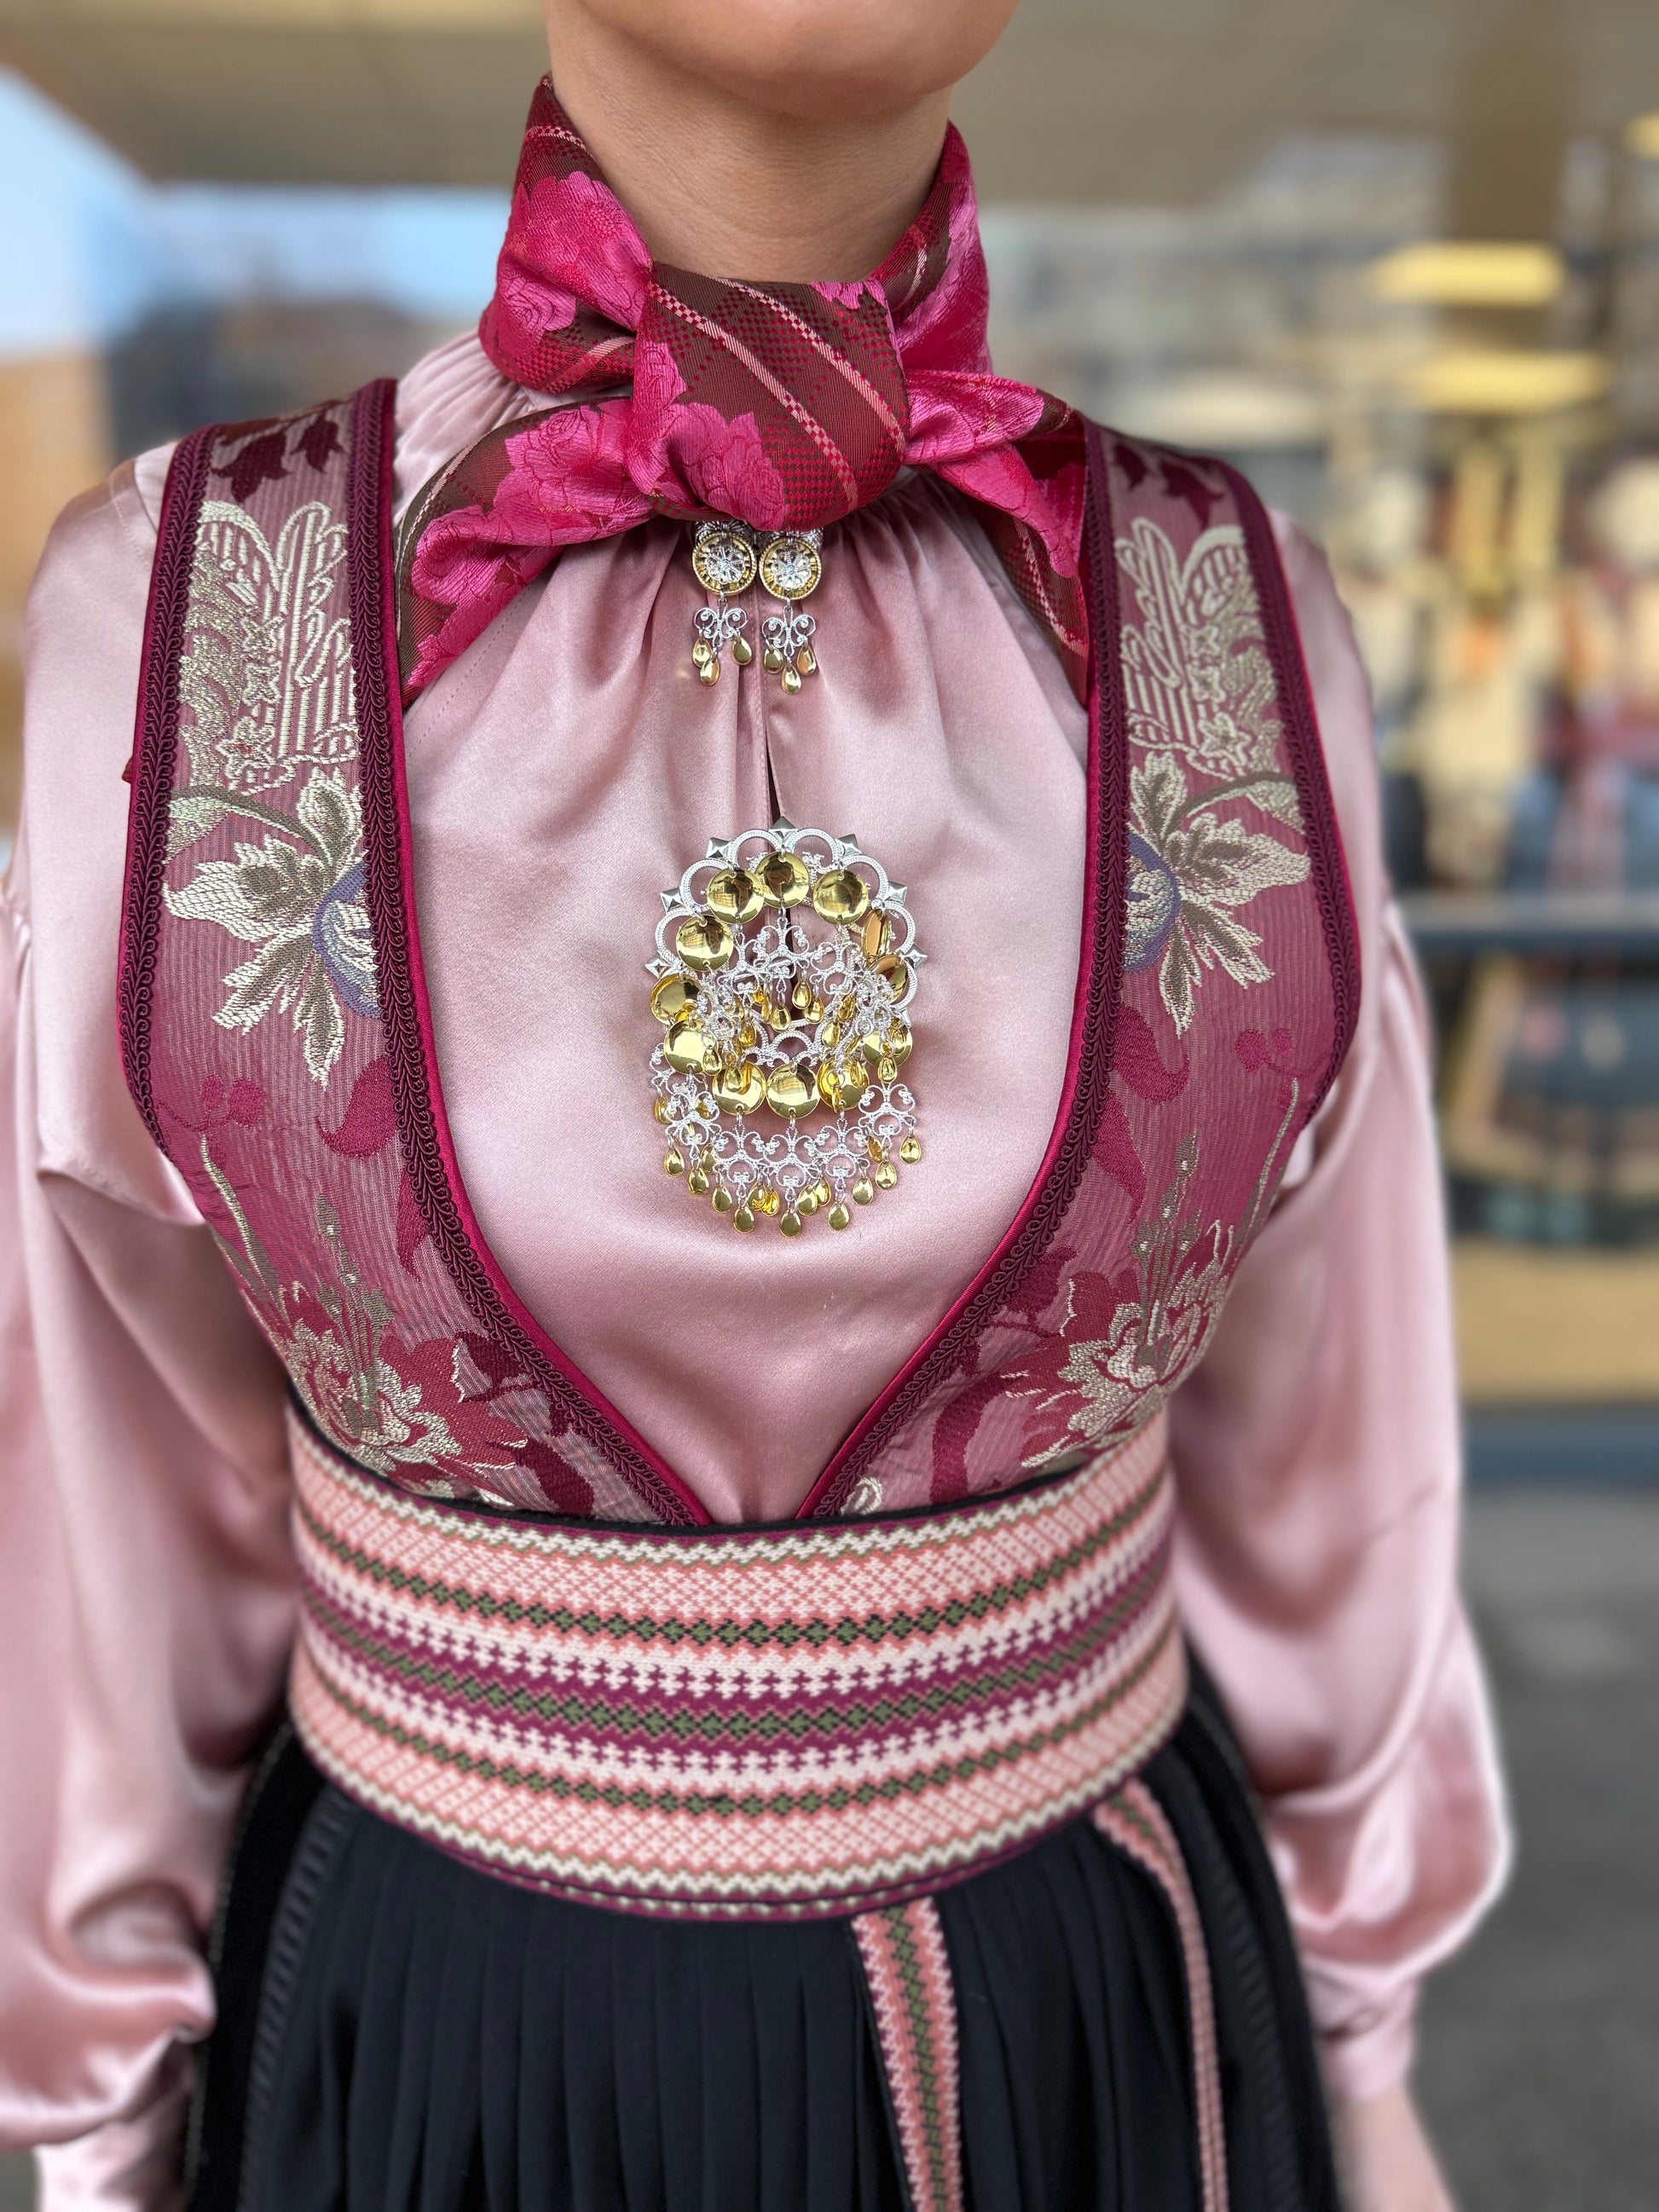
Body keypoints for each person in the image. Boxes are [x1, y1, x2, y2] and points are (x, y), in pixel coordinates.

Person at [0, 2, 1506, 2208]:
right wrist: (99, 2130)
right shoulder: (177, 606)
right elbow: (106, 1473)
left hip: (1103, 2009)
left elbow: (1324, 1440)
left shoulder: (1235, 607)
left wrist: (1365, 2069)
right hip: (442, 2039)